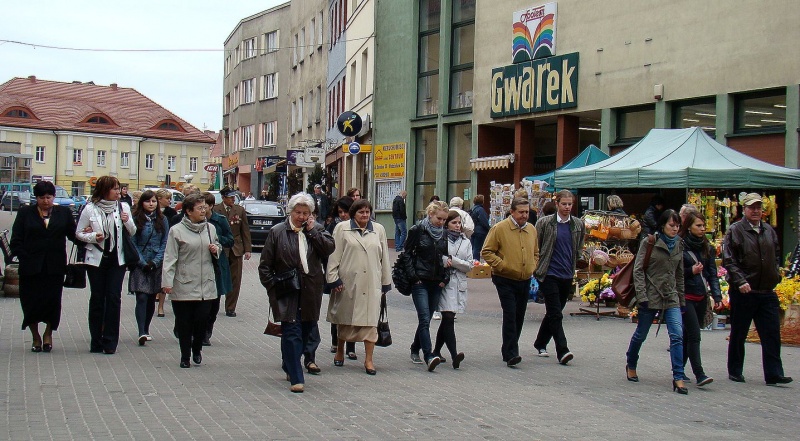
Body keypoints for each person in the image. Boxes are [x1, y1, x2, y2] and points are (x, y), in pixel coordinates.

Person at [259, 193, 335, 393]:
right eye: (298, 212)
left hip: (311, 290)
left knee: (306, 330)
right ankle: (296, 376)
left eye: (306, 213)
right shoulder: (277, 232)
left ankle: (289, 363)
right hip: (287, 290)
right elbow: (265, 266)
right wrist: (272, 288)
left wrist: (313, 232)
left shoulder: (316, 230)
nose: (301, 217)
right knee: (291, 332)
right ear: (290, 211)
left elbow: (329, 248)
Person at [723, 193, 792, 385]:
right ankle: (735, 370)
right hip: (744, 291)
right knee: (739, 332)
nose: (756, 211)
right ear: (744, 209)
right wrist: (740, 281)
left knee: (771, 333)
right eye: (752, 207)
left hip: (766, 290)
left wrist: (777, 275)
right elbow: (729, 259)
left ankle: (774, 373)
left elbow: (776, 255)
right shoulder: (735, 230)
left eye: (759, 207)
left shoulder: (769, 231)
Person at [10, 181, 78, 353]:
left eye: (49, 197)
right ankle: (35, 336)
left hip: (54, 267)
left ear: (53, 197)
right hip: (30, 267)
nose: (46, 201)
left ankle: (48, 333)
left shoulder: (63, 213)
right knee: (30, 302)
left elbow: (74, 235)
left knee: (52, 302)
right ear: (36, 198)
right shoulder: (26, 213)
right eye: (42, 198)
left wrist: (91, 238)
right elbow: (16, 239)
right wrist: (24, 256)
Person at [326, 199, 392, 375]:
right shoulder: (342, 228)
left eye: (367, 212)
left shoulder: (378, 230)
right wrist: (333, 278)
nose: (365, 215)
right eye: (361, 212)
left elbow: (384, 256)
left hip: (371, 282)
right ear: (353, 213)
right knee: (344, 319)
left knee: (371, 324)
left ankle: (369, 360)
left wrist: (386, 281)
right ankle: (340, 351)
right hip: (348, 281)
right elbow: (334, 254)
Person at [625, 209, 687, 394]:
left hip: (671, 296)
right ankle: (631, 362)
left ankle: (678, 376)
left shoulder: (679, 244)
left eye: (677, 226)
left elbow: (679, 273)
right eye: (671, 225)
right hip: (651, 296)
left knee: (677, 335)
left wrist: (681, 298)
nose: (675, 229)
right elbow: (638, 270)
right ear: (662, 225)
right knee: (641, 334)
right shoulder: (650, 242)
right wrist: (642, 296)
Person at [76, 176, 137, 354]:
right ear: (104, 190)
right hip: (96, 259)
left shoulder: (123, 207)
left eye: (119, 188)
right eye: (115, 189)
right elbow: (79, 233)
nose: (119, 192)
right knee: (97, 298)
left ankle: (110, 341)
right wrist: (93, 237)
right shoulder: (90, 209)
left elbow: (132, 232)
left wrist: (127, 221)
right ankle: (96, 340)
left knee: (113, 298)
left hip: (117, 259)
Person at [162, 193, 221, 368]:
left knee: (202, 320)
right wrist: (167, 282)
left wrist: (215, 249)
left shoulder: (210, 228)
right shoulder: (176, 231)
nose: (204, 211)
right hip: (184, 283)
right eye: (200, 208)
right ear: (188, 211)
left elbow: (218, 248)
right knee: (184, 323)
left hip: (206, 284)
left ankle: (197, 349)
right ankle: (185, 356)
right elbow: (170, 258)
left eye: (205, 207)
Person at [482, 197, 539, 367]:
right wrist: (503, 265)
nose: (524, 215)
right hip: (504, 278)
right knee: (510, 314)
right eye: (521, 212)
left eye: (527, 212)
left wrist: (532, 265)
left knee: (519, 315)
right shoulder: (500, 228)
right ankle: (511, 353)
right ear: (512, 212)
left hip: (524, 278)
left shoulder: (531, 229)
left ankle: (509, 347)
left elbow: (536, 251)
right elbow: (487, 251)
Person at [533, 190, 585, 365]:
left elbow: (578, 248)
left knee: (554, 312)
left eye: (570, 204)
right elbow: (536, 246)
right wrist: (536, 267)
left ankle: (540, 343)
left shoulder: (577, 224)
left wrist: (582, 260)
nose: (567, 207)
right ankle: (562, 350)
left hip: (567, 274)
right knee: (556, 313)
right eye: (564, 204)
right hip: (549, 273)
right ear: (557, 204)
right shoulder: (545, 223)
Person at [404, 200, 450, 372]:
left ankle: (415, 347)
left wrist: (445, 278)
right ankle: (429, 355)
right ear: (430, 214)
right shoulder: (417, 230)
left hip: (436, 281)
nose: (441, 222)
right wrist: (413, 276)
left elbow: (446, 257)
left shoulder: (444, 234)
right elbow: (407, 254)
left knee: (428, 318)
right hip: (420, 280)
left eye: (444, 219)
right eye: (439, 218)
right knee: (424, 317)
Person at [679, 212, 721, 387]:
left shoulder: (707, 247)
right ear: (689, 226)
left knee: (689, 336)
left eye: (703, 226)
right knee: (695, 335)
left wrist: (717, 295)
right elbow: (675, 273)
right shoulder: (680, 246)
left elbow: (712, 273)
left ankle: (678, 369)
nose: (702, 229)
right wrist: (691, 271)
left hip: (701, 296)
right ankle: (700, 374)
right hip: (685, 296)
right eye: (698, 225)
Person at [432, 210, 473, 369]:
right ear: (447, 223)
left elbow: (469, 265)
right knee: (448, 317)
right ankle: (454, 354)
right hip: (445, 283)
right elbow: (438, 258)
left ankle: (436, 350)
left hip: (459, 283)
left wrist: (453, 260)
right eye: (454, 223)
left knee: (448, 319)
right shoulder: (441, 238)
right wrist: (445, 260)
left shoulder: (466, 241)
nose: (457, 226)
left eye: (459, 223)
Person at [128, 190, 169, 346]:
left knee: (152, 297)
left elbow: (165, 242)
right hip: (140, 263)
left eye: (153, 201)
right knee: (142, 297)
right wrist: (143, 262)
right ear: (142, 203)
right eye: (147, 201)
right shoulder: (136, 219)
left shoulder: (162, 219)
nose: (151, 204)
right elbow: (132, 242)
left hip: (156, 263)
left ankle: (147, 328)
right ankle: (141, 331)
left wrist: (156, 262)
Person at [325, 196, 358, 359]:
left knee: (352, 312)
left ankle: (351, 346)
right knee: (337, 310)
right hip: (338, 274)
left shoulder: (359, 226)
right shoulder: (334, 226)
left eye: (346, 211)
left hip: (355, 275)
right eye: (340, 212)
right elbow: (330, 253)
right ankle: (335, 342)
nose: (343, 215)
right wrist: (332, 276)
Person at [213, 186, 252, 317]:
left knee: (235, 279)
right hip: (220, 247)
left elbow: (245, 230)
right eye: (230, 197)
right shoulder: (215, 209)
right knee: (218, 276)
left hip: (236, 248)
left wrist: (248, 249)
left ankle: (230, 307)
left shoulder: (240, 210)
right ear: (223, 198)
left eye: (233, 197)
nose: (233, 199)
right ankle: (214, 303)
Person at [201, 192, 234, 346]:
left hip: (217, 264)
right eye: (199, 206)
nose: (201, 209)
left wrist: (216, 240)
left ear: (211, 206)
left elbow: (230, 240)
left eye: (204, 206)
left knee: (214, 302)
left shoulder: (219, 220)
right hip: (199, 264)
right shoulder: (193, 220)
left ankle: (207, 331)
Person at [155, 188, 178, 317]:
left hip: (167, 247)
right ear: (159, 199)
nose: (170, 201)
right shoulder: (152, 212)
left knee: (164, 277)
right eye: (167, 198)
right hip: (153, 248)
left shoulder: (172, 212)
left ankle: (161, 306)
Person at [469, 194, 491, 260]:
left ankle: (472, 261)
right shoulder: (480, 210)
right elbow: (484, 221)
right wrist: (489, 228)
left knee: (473, 247)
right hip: (480, 232)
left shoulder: (473, 209)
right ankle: (476, 262)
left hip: (473, 230)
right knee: (477, 248)